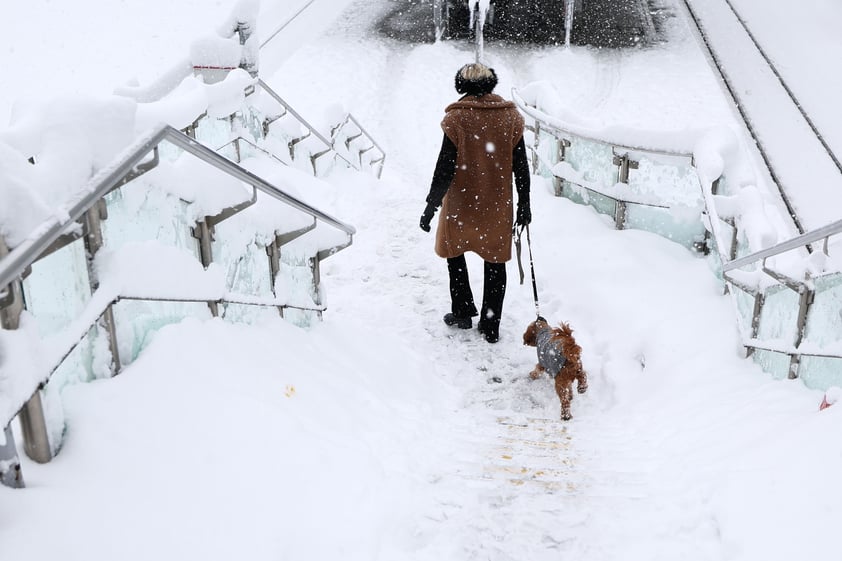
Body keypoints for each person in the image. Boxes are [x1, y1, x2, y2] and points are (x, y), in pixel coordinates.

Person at [419, 62, 531, 343]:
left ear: (462, 85)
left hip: (460, 203)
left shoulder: (457, 119)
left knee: (454, 253)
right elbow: (521, 167)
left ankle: (462, 311)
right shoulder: (510, 117)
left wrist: (431, 205)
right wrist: (524, 204)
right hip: (496, 203)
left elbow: (444, 167)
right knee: (495, 262)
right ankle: (491, 324)